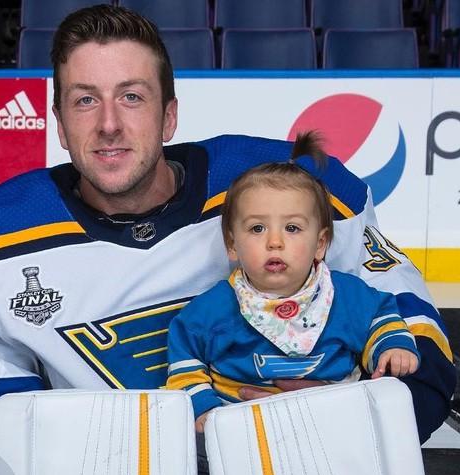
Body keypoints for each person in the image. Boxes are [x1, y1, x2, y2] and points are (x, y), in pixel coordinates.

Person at [0, 5, 460, 475]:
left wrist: (322, 438)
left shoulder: (289, 188)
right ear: (58, 121)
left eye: (132, 96)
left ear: (170, 116)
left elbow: (416, 352)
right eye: (84, 100)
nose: (108, 124)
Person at [165, 131, 421, 415]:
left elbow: (382, 318)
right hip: (236, 432)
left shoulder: (347, 296)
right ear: (232, 244)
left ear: (320, 244)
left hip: (334, 425)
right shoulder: (212, 308)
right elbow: (185, 359)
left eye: (292, 228)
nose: (275, 241)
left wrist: (392, 347)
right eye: (257, 228)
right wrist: (203, 409)